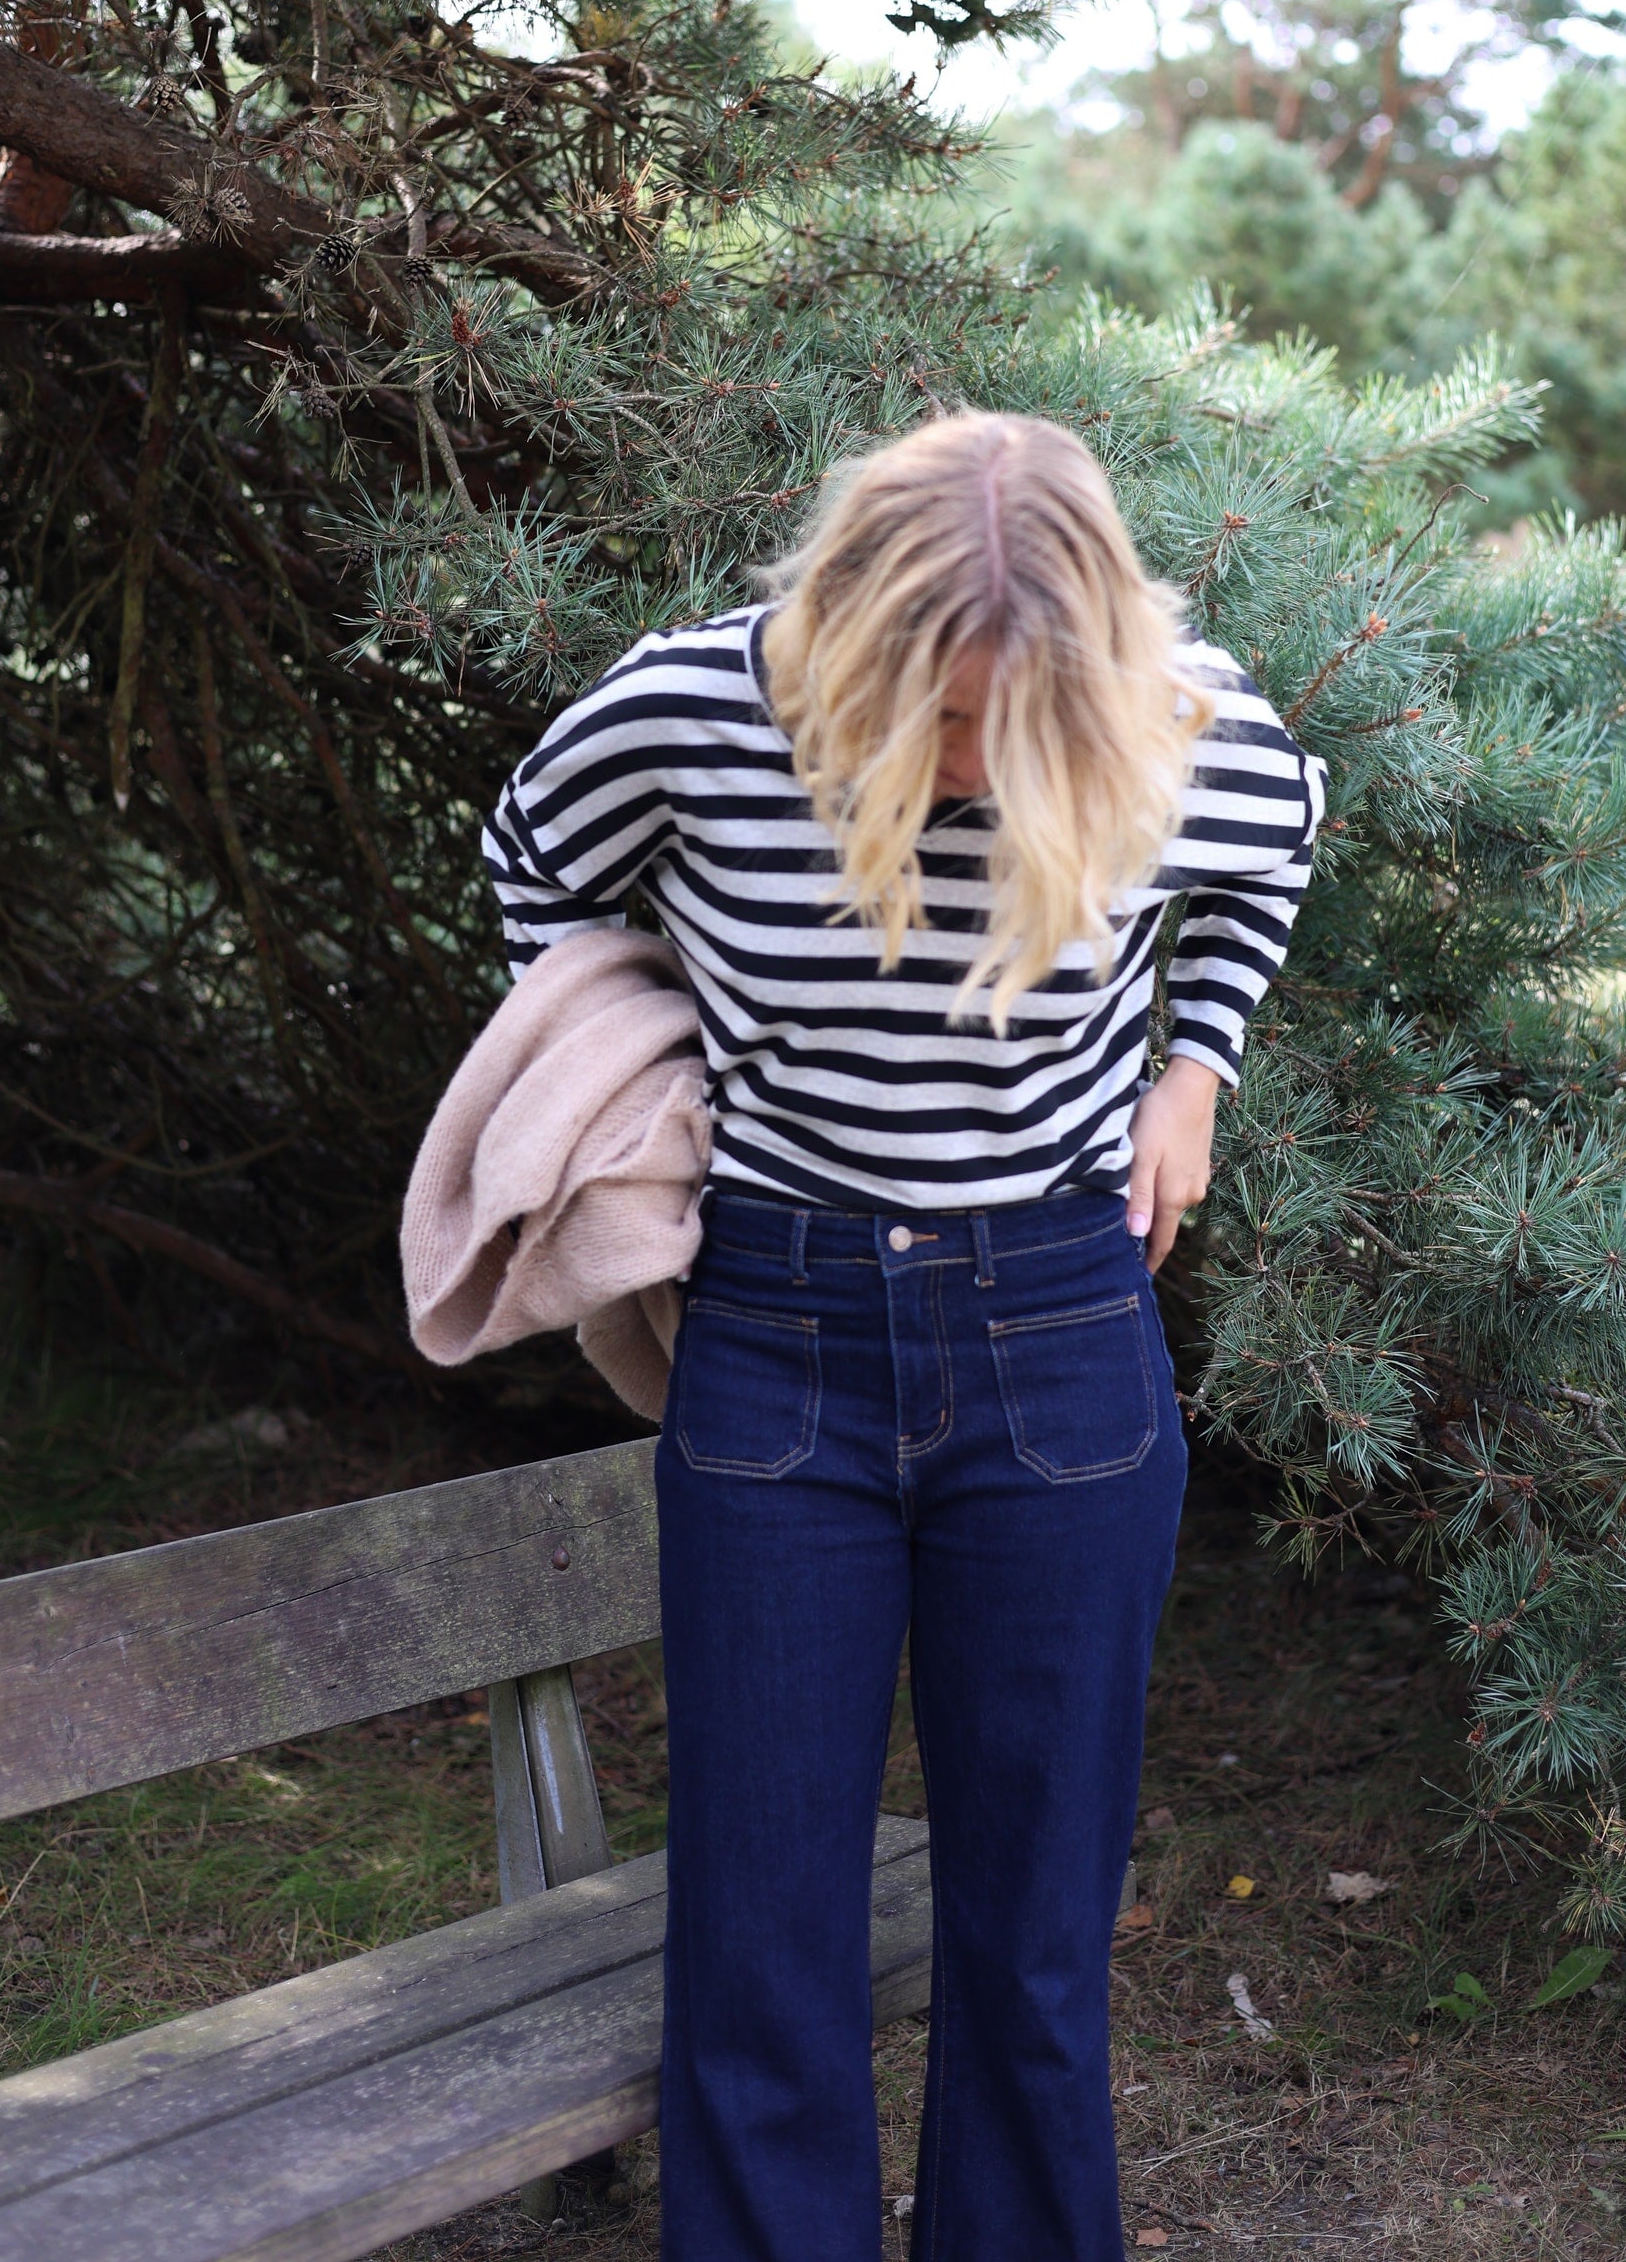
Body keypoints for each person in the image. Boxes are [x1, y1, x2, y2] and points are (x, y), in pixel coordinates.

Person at [483, 410, 1325, 2262]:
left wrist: (1195, 1071)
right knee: (761, 1926)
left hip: (1062, 1341)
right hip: (777, 1343)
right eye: (933, 716)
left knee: (1034, 1932)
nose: (965, 764)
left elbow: (1273, 855)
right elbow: (533, 866)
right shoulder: (697, 711)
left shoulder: (1181, 722)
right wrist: (635, 1102)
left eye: (1005, 725)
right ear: (848, 642)